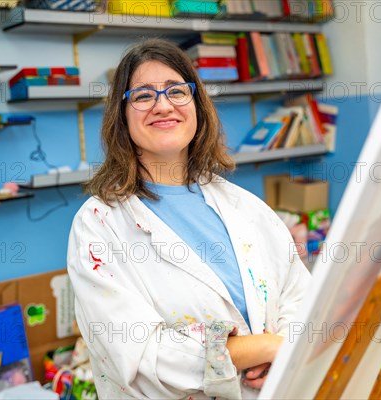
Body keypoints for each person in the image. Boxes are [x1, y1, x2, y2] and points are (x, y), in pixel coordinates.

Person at [67, 38, 310, 399]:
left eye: (177, 91)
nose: (163, 105)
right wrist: (262, 349)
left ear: (196, 105)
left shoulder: (243, 205)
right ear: (121, 115)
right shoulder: (98, 226)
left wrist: (285, 346)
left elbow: (297, 292)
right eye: (143, 96)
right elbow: (141, 356)